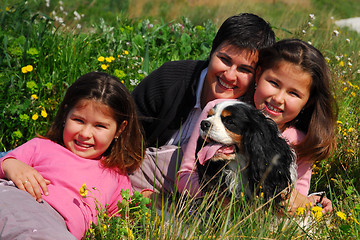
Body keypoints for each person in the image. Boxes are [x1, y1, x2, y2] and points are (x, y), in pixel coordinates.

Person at [177, 39, 336, 214]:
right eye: (274, 83)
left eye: (293, 93)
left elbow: (297, 196)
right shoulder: (219, 110)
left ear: (308, 100)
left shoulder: (301, 141)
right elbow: (184, 176)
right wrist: (224, 199)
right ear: (258, 75)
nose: (278, 98)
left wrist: (307, 203)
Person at [129, 13, 276, 198]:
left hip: (205, 200)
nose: (230, 75)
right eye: (224, 59)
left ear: (257, 74)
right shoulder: (170, 79)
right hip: (136, 186)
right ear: (212, 51)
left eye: (244, 69)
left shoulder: (253, 110)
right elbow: (120, 135)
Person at [0, 72, 144, 239]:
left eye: (100, 126)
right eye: (79, 120)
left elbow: (123, 220)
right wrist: (10, 164)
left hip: (57, 228)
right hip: (17, 200)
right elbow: (5, 164)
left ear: (120, 129)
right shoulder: (43, 146)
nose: (85, 133)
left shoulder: (116, 175)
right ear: (66, 114)